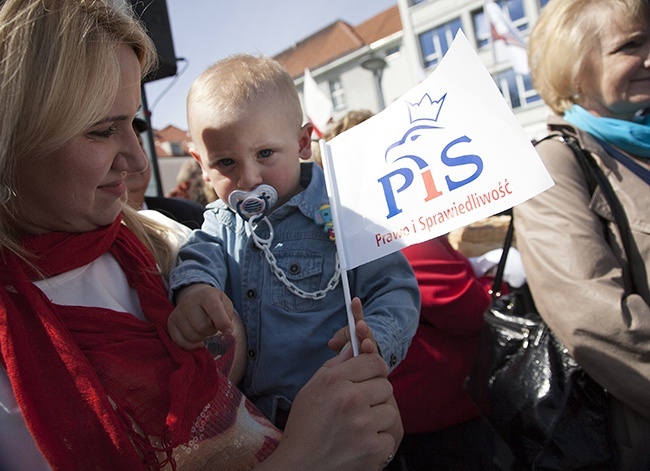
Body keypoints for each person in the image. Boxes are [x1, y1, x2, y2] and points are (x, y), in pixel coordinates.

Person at [0, 1, 403, 469]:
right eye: (101, 131)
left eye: (133, 124)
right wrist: (304, 457)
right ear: (14, 135)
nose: (138, 162)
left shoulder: (164, 244)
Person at [167, 54, 420, 429]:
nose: (249, 178)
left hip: (336, 415)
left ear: (303, 142)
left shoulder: (346, 214)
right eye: (225, 162)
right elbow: (198, 256)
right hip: (249, 423)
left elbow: (397, 290)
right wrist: (194, 291)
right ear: (200, 162)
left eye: (265, 154)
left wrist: (375, 339)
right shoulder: (220, 222)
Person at [515, 0, 650, 468]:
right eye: (631, 45)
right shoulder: (554, 161)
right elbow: (599, 322)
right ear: (575, 70)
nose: (649, 56)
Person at [126, 117, 206, 229]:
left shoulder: (190, 214)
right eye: (121, 146)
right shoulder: (97, 236)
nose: (137, 158)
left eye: (139, 144)